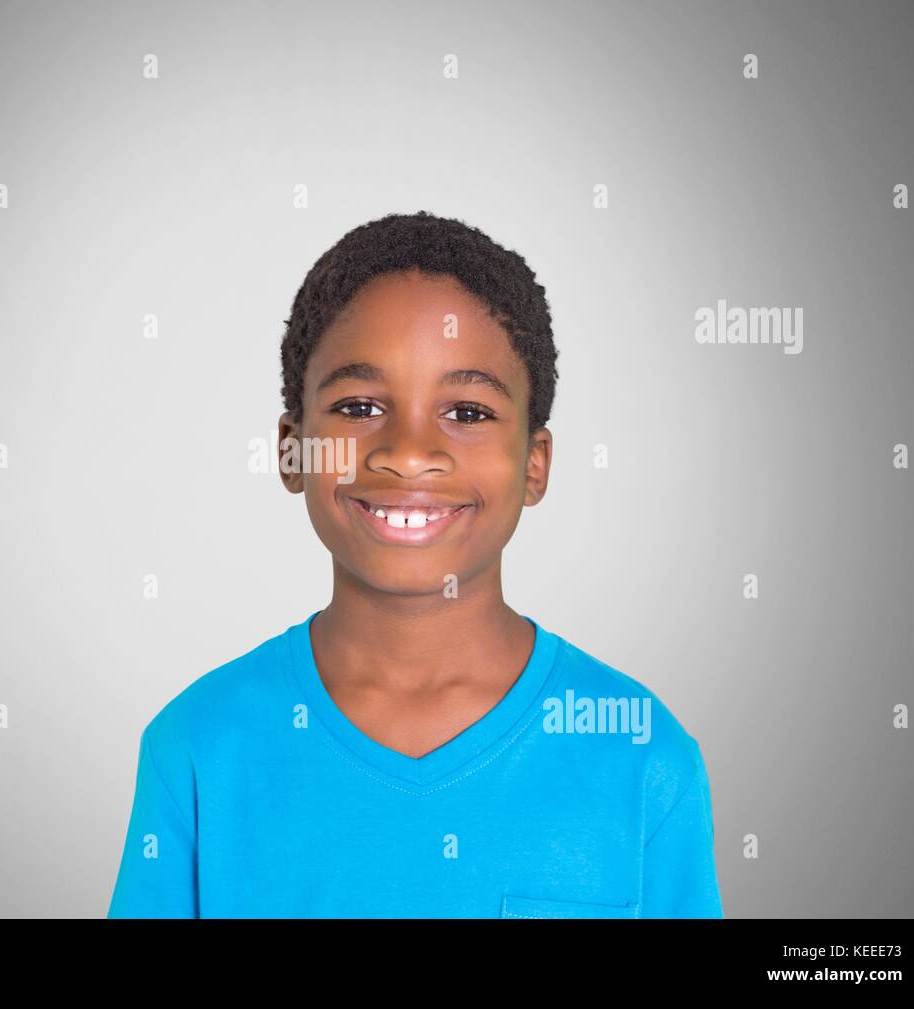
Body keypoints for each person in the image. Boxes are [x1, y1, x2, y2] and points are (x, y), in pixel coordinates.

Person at [107, 210, 723, 918]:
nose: (406, 450)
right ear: (291, 449)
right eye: (360, 404)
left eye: (467, 412)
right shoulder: (196, 751)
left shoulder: (641, 756)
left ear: (535, 463)